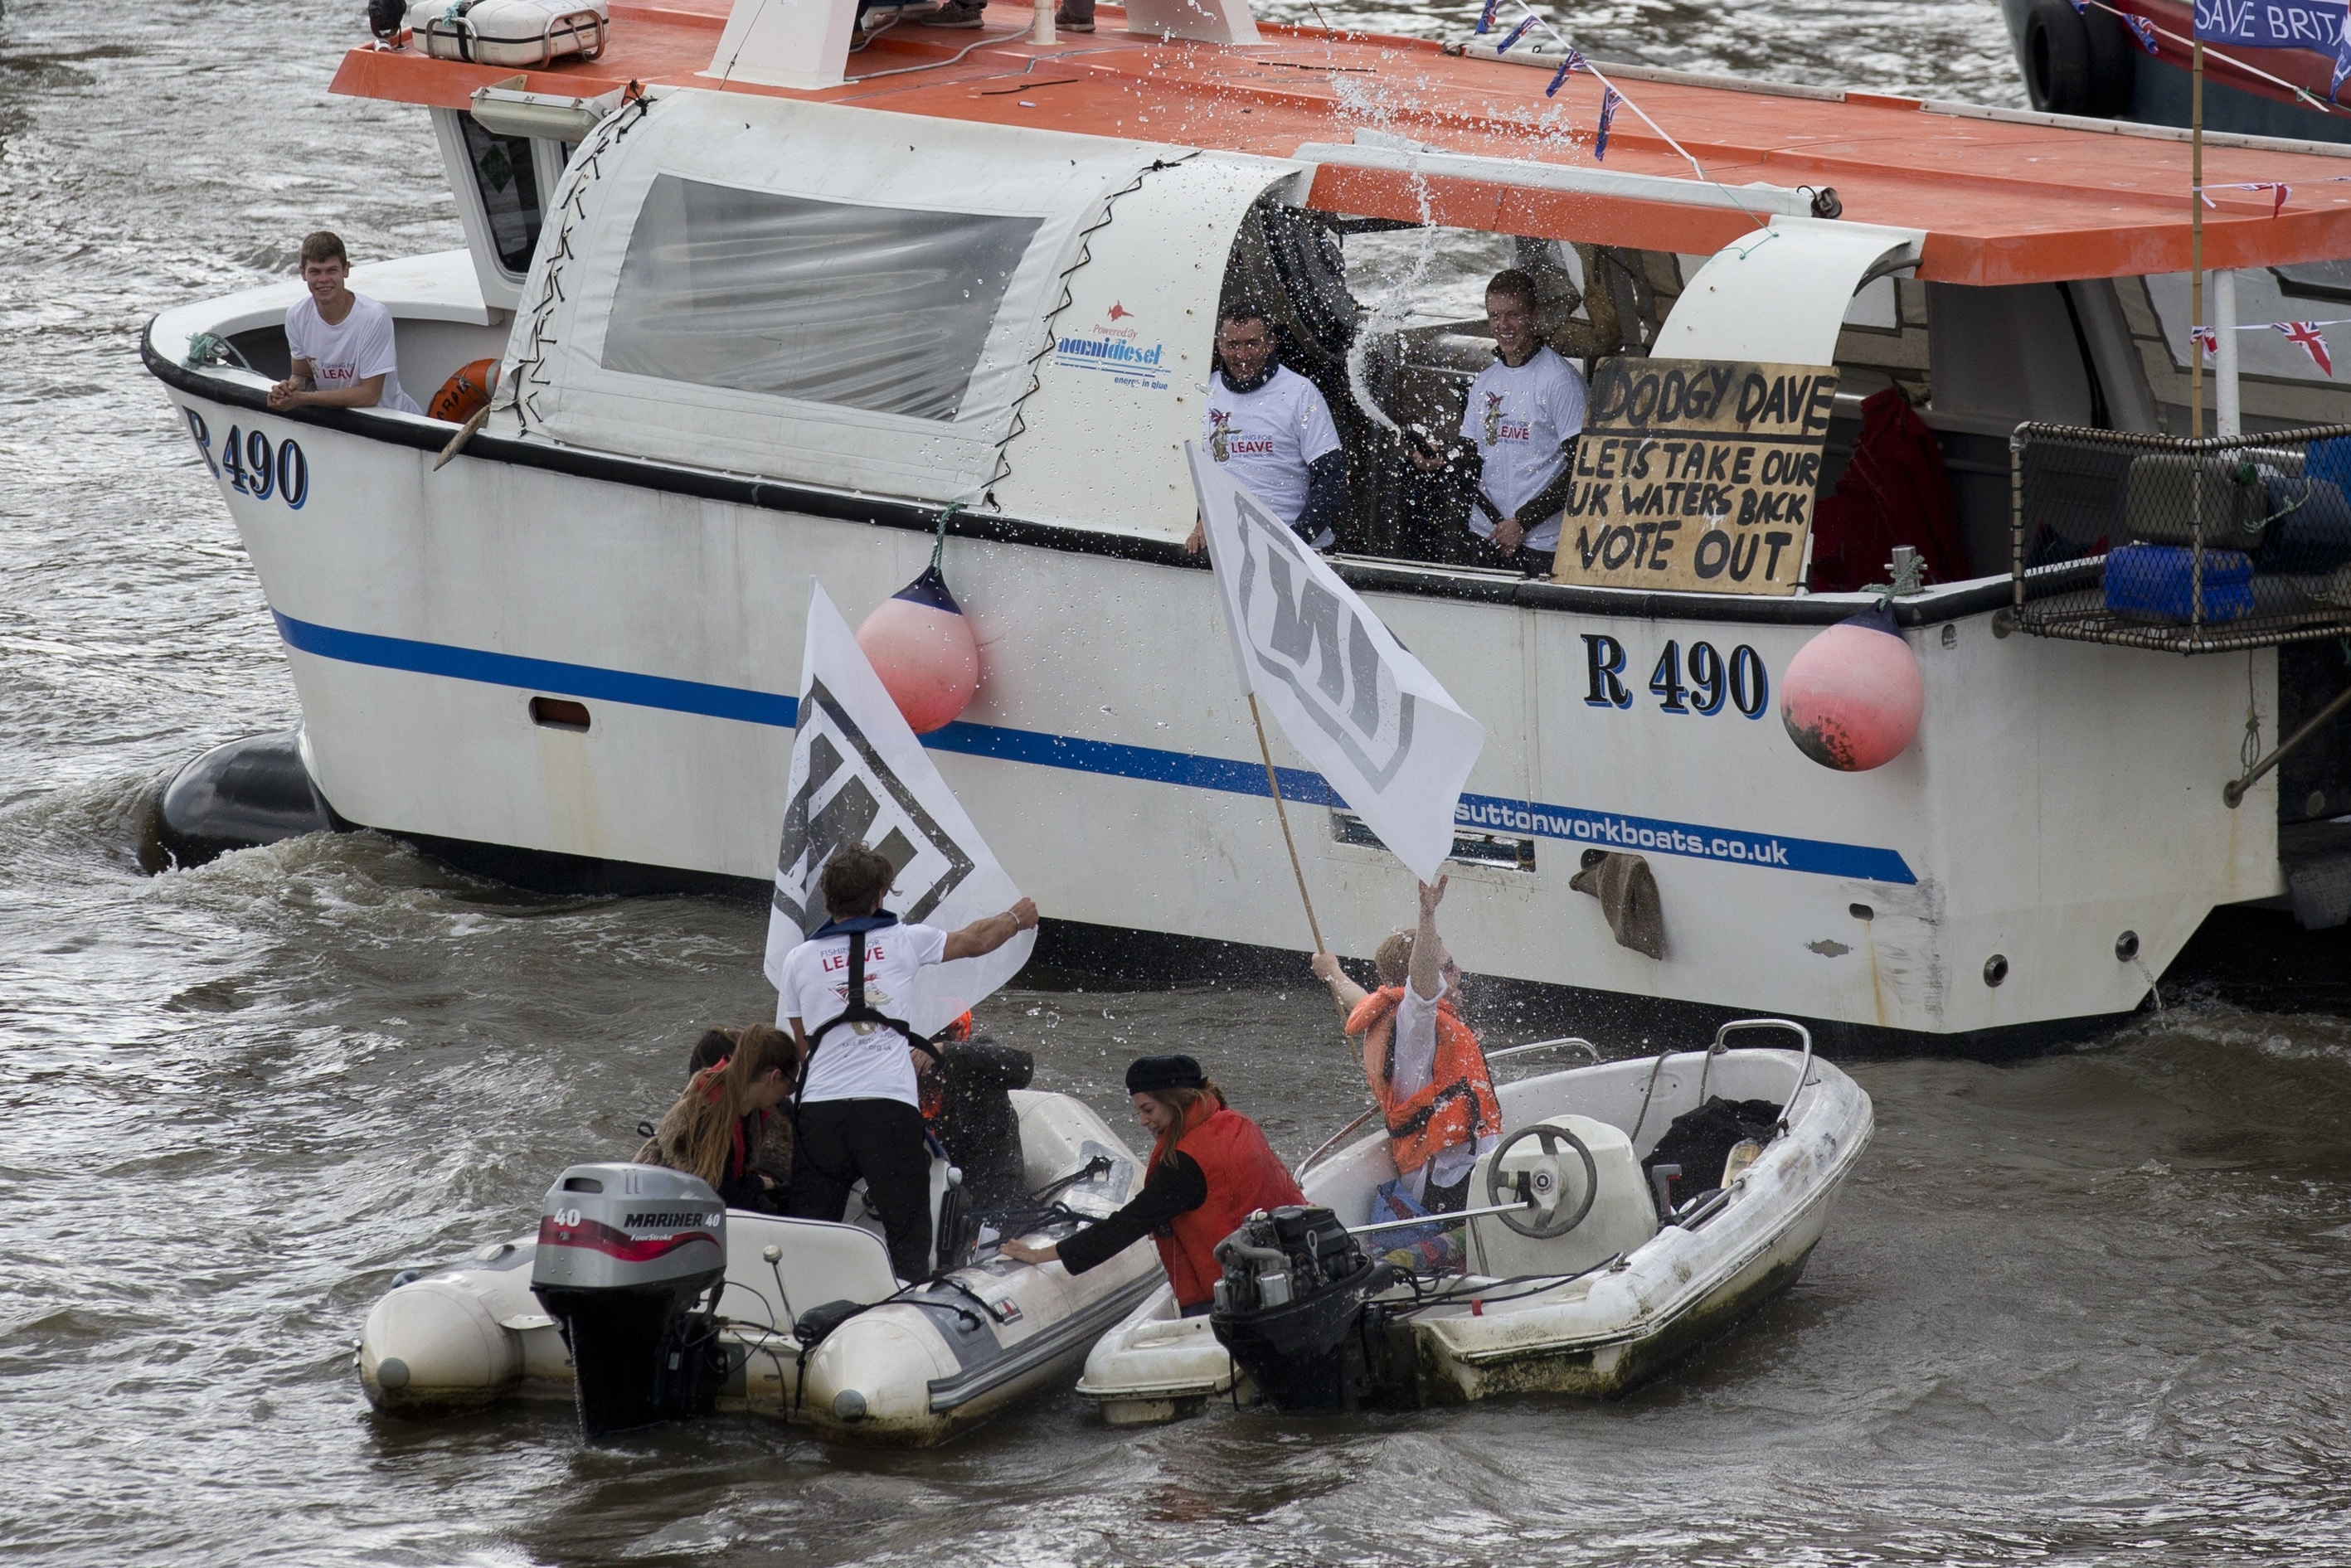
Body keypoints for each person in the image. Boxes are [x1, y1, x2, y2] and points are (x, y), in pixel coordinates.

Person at [776, 844, 1038, 1283]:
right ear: (880, 895)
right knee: (908, 1231)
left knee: (811, 1229)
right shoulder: (903, 939)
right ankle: (906, 1310)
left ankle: (804, 1308)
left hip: (820, 1113)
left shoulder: (798, 959)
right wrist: (1016, 917)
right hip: (887, 1110)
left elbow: (802, 1047)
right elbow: (976, 941)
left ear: (828, 899)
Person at [999, 1055, 1305, 1316]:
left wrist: (1044, 1254)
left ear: (1177, 1101)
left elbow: (1127, 1224)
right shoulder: (1237, 1123)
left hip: (1231, 1295)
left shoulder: (1184, 1163)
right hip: (1283, 1276)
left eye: (1148, 1109)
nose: (1143, 1121)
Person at [1309, 874, 1502, 1217]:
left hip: (1458, 1168)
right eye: (1446, 967)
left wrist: (1332, 972)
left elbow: (1360, 1000)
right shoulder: (1416, 1025)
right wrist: (1427, 915)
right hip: (1446, 1180)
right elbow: (1423, 983)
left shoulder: (1394, 1015)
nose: (1456, 972)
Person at [1410, 268, 1586, 576]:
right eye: (1494, 316)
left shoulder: (1560, 381)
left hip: (1541, 545)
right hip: (1486, 534)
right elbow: (1471, 454)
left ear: (1535, 314)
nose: (1502, 326)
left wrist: (1522, 523)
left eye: (1513, 315)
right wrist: (1440, 459)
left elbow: (1582, 469)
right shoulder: (1485, 381)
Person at [1184, 302, 1348, 555]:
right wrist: (1200, 517)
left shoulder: (1301, 393)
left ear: (1270, 344)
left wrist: (1295, 542)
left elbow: (1331, 477)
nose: (1242, 355)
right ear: (1219, 345)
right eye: (1233, 345)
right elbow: (1188, 471)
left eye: (1251, 344)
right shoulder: (1202, 393)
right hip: (1226, 546)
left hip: (1298, 549)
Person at [639, 1024, 799, 1212]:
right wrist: (758, 1183)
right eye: (790, 1087)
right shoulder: (707, 1117)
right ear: (774, 1077)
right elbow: (722, 1201)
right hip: (655, 1213)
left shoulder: (746, 1109)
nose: (786, 1096)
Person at [266, 231, 423, 416]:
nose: (323, 279)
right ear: (303, 273)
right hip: (339, 418)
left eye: (332, 270)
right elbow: (303, 375)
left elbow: (370, 395)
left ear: (346, 270)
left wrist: (302, 399)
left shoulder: (374, 317)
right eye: (315, 271)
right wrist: (289, 390)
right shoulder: (296, 315)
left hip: (391, 420)